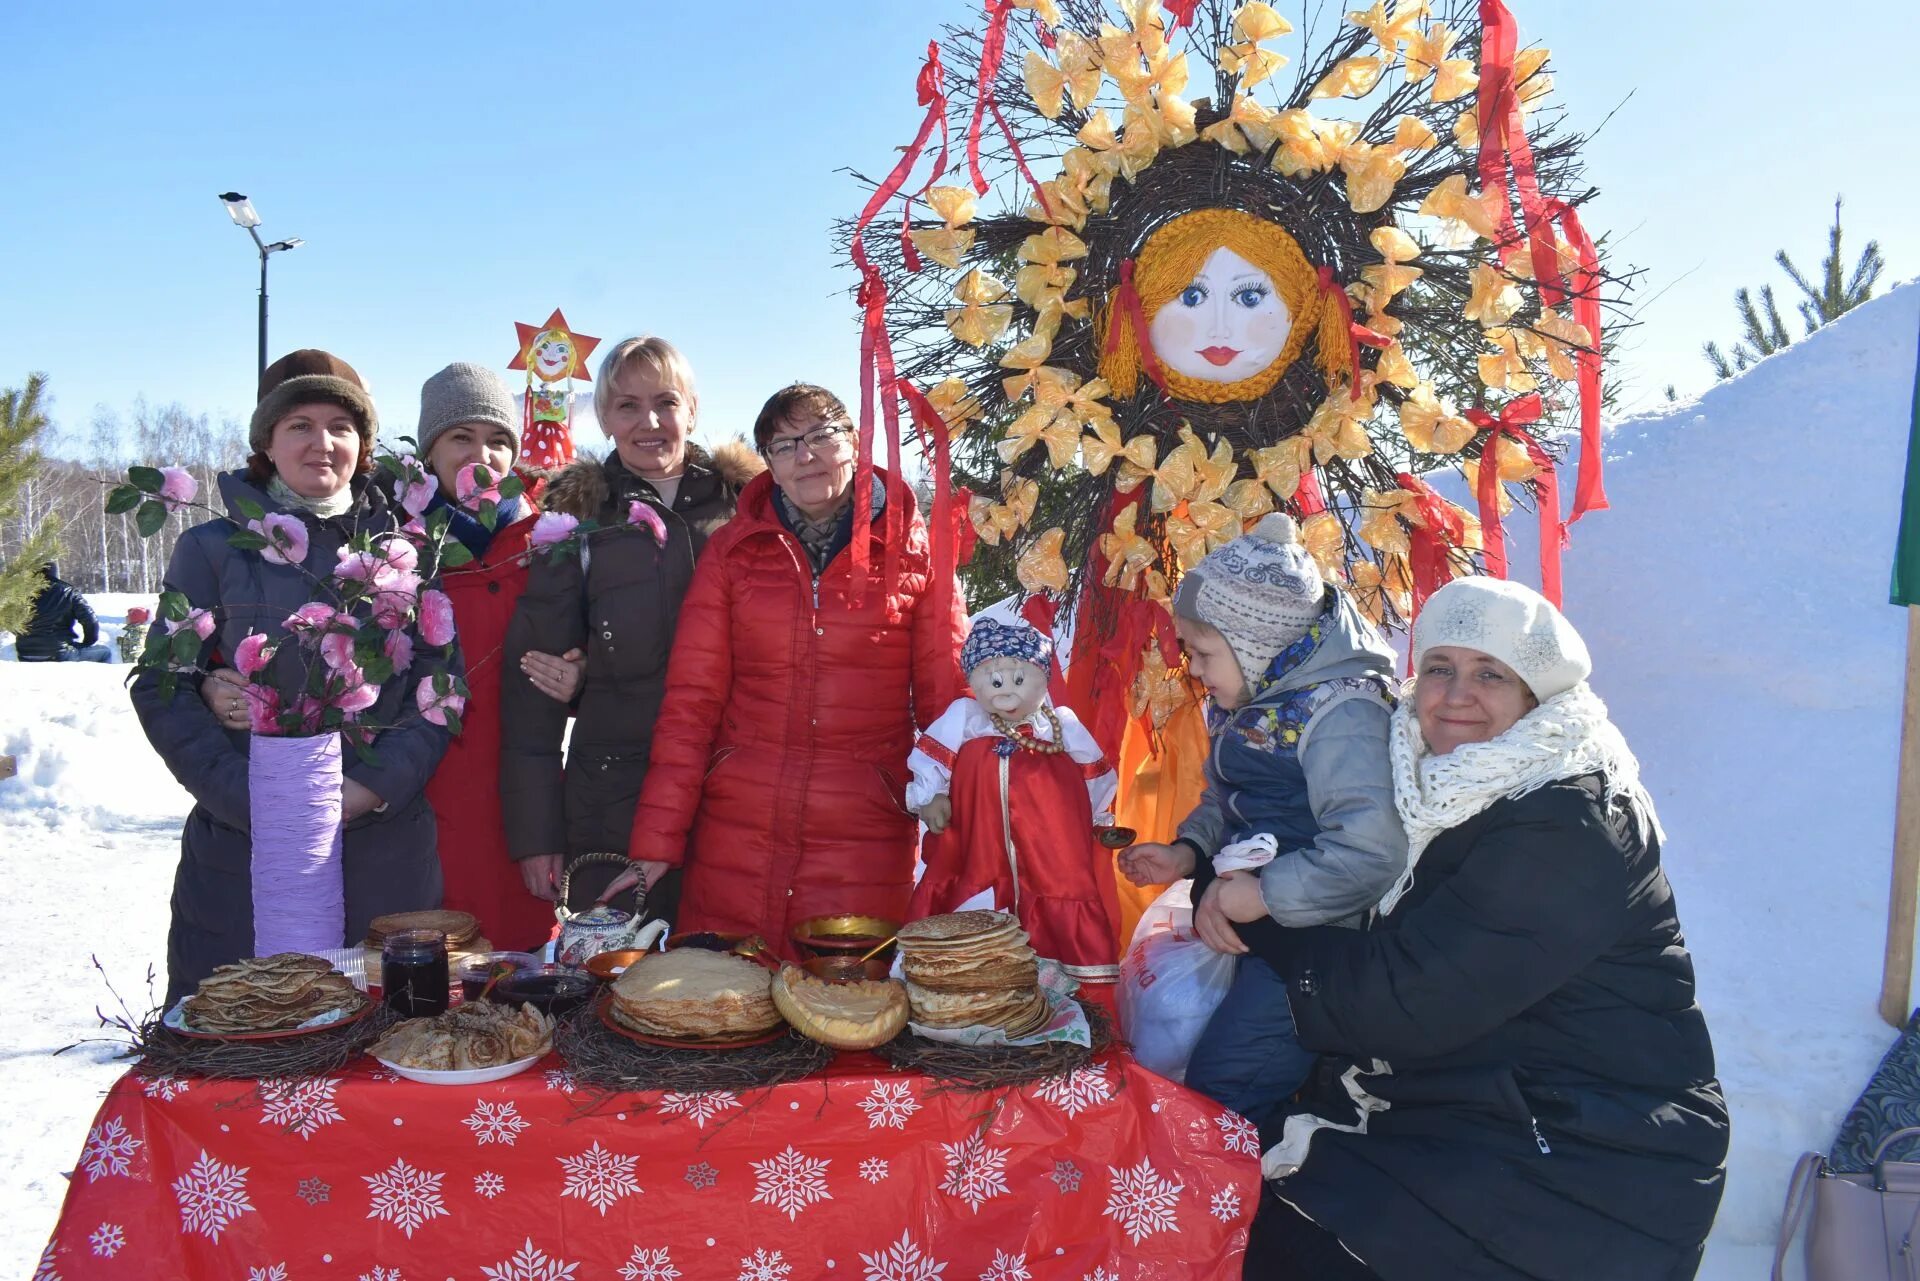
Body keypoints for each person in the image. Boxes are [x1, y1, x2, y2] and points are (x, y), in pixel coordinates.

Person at [1222, 577, 1726, 1281]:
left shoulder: (1567, 819)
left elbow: (1407, 1000)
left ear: (1536, 694)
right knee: (1231, 1204)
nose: (1456, 693)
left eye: (1490, 673)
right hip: (1486, 1097)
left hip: (1591, 1147)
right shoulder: (1426, 776)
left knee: (1280, 1242)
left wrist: (1265, 920)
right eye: (1439, 668)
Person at [201, 361, 583, 949]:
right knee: (411, 983)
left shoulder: (552, 544)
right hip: (409, 803)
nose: (481, 454)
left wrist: (583, 677)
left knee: (511, 990)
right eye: (461, 437)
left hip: (516, 809)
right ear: (428, 452)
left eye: (498, 439)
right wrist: (209, 680)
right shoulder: (389, 547)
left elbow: (615, 656)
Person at [133, 350, 454, 1003]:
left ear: (364, 443)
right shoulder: (211, 548)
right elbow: (160, 684)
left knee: (385, 1057)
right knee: (243, 1054)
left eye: (341, 424)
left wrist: (370, 787)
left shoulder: (404, 549)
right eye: (299, 424)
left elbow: (442, 686)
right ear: (267, 442)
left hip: (383, 854)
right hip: (243, 856)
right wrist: (254, 800)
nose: (322, 442)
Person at [603, 382, 965, 955]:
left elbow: (949, 706)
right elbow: (691, 706)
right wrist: (657, 845)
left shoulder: (914, 553)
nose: (806, 456)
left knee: (845, 1018)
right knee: (724, 1013)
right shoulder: (733, 553)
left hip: (863, 837)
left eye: (822, 436)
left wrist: (965, 831)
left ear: (855, 442)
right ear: (767, 463)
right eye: (785, 444)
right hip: (737, 838)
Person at [1118, 513, 1404, 1135]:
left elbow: (1370, 851)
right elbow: (1232, 801)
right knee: (1190, 1044)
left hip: (1314, 952)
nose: (1192, 669)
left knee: (1226, 1084)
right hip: (1260, 926)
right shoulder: (1262, 698)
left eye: (1203, 652)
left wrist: (1262, 892)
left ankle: (1229, 1208)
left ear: (1255, 643)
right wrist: (1188, 851)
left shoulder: (1340, 714)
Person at [499, 336, 761, 917]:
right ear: (605, 418)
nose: (650, 421)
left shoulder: (748, 508)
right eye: (627, 405)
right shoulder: (578, 517)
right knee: (616, 981)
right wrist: (537, 834)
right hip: (615, 798)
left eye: (666, 402)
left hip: (736, 788)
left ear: (692, 408)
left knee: (726, 983)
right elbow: (532, 692)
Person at [906, 616, 1121, 978]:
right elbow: (931, 758)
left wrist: (1097, 818)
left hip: (1052, 850)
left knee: (1057, 892)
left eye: (1019, 680)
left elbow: (1094, 774)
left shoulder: (1060, 725)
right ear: (976, 682)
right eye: (994, 681)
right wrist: (933, 796)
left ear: (1041, 679)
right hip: (979, 846)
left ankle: (1072, 987)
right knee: (974, 900)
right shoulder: (967, 717)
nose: (1006, 692)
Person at [15, 563, 111, 661]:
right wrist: (87, 643)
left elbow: (10, 622)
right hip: (59, 653)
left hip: (24, 654)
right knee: (105, 653)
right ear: (54, 572)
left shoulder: (20, 594)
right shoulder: (68, 591)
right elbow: (91, 620)